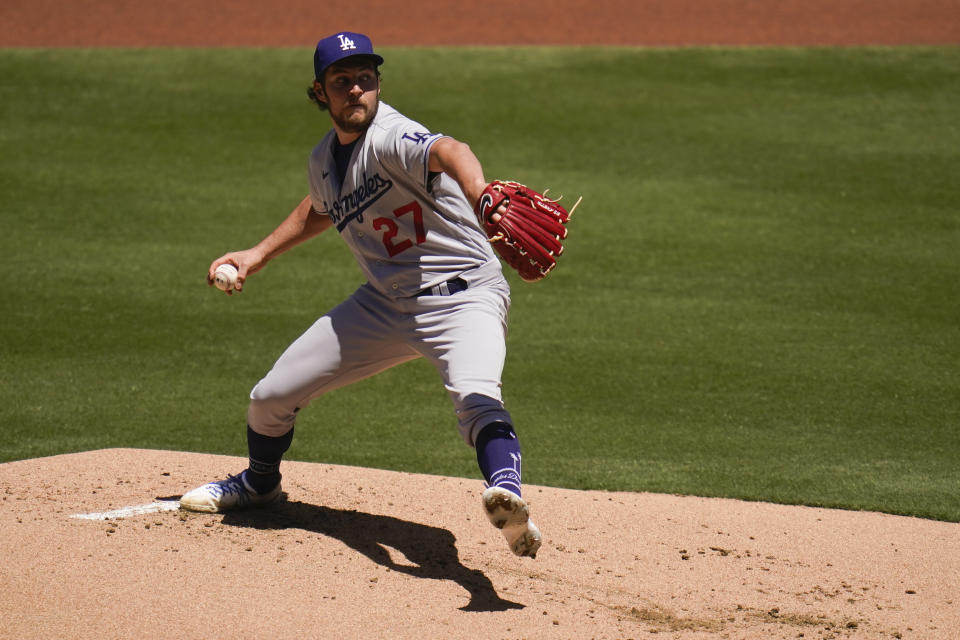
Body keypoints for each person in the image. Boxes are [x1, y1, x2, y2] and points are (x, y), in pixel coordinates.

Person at [179, 31, 542, 558]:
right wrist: (257, 253)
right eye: (341, 81)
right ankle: (260, 484)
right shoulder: (324, 159)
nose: (356, 90)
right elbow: (321, 206)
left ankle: (507, 495)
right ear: (320, 92)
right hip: (384, 304)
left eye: (365, 79)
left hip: (464, 297)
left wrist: (481, 193)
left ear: (378, 84)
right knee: (269, 397)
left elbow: (450, 149)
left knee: (476, 394)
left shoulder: (393, 136)